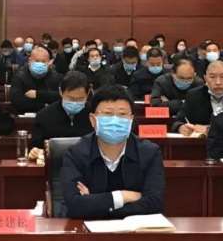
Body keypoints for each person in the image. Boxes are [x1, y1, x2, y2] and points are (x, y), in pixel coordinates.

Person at [60, 85, 165, 219]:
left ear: (131, 120)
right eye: (108, 114)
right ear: (93, 120)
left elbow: (154, 204)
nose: (115, 120)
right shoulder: (76, 153)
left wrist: (94, 203)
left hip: (134, 230)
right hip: (88, 230)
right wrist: (122, 197)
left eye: (122, 114)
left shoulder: (149, 153)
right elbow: (74, 205)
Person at [28, 71, 93, 160]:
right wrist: (36, 152)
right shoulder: (44, 116)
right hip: (55, 165)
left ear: (88, 93)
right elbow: (35, 147)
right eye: (70, 98)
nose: (75, 103)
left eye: (80, 99)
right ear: (60, 92)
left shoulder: (94, 114)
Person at [173, 60, 223, 136]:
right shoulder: (194, 95)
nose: (218, 82)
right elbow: (178, 120)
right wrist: (180, 127)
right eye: (212, 77)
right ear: (205, 78)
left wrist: (209, 130)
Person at [10, 46, 62, 114]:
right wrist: (44, 105)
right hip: (25, 115)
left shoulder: (57, 77)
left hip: (51, 115)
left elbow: (61, 97)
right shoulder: (19, 76)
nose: (40, 64)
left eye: (43, 61)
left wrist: (38, 94)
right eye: (37, 61)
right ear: (29, 61)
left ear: (49, 62)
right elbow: (17, 101)